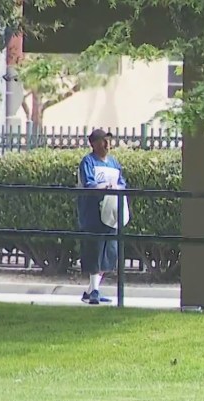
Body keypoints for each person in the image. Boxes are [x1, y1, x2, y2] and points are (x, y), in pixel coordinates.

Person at [77, 128, 129, 305]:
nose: (106, 144)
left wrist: (116, 188)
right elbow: (88, 183)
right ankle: (94, 290)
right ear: (93, 144)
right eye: (102, 141)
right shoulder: (88, 162)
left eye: (107, 140)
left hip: (111, 213)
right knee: (94, 250)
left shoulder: (114, 163)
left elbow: (122, 184)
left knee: (109, 252)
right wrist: (104, 186)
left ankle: (92, 291)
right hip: (92, 213)